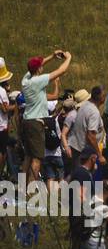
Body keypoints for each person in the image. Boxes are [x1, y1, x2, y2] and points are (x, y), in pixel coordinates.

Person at [21, 50, 73, 181]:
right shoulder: (38, 81)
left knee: (28, 156)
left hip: (26, 120)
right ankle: (30, 190)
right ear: (39, 69)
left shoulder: (25, 80)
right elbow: (60, 71)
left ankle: (22, 188)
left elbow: (38, 64)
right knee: (37, 158)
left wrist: (52, 56)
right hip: (36, 122)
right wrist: (68, 58)